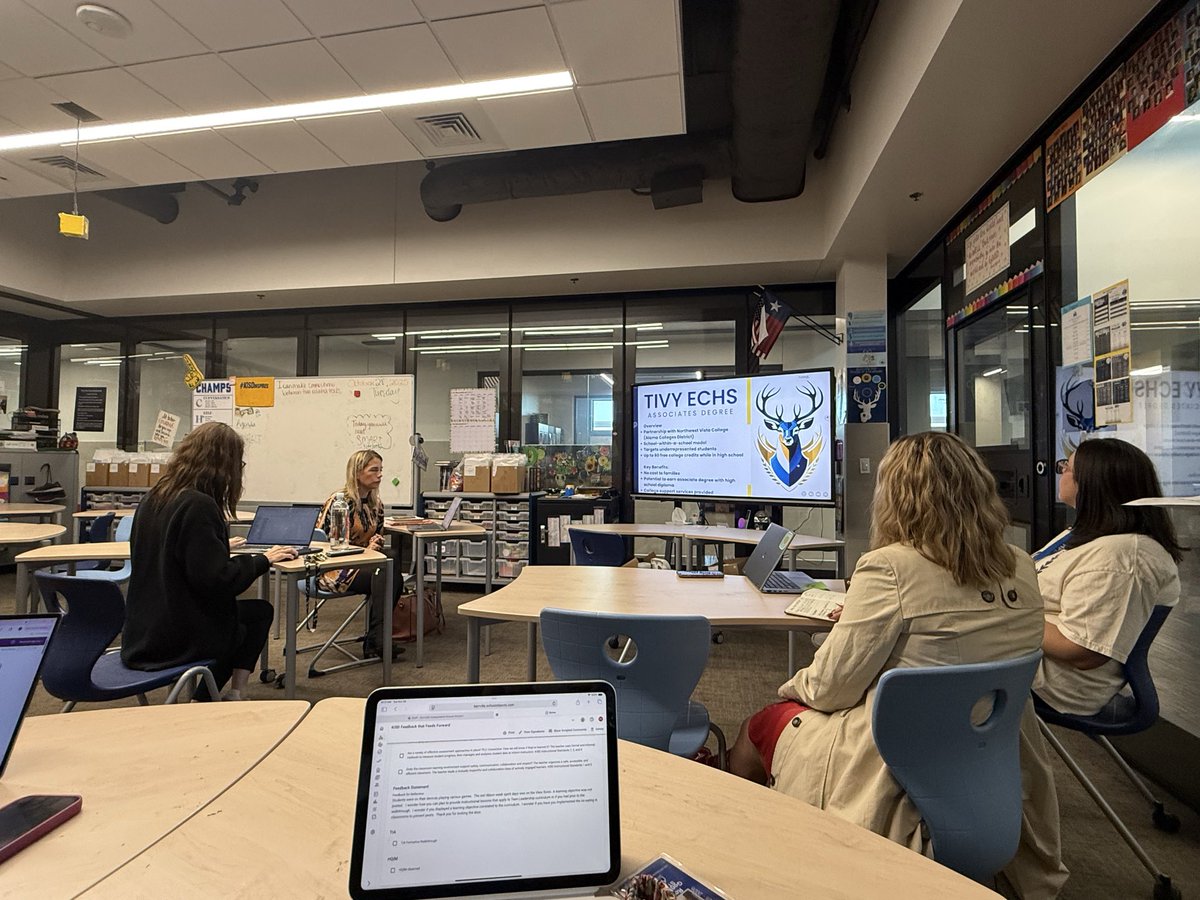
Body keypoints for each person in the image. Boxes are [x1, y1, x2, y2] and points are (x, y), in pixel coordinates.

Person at [728, 432, 1067, 898]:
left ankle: (750, 860)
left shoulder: (889, 567)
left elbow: (830, 688)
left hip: (895, 757)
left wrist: (794, 689)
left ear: (899, 498)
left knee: (759, 724)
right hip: (991, 757)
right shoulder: (1020, 566)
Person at [122, 422, 297, 700]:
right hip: (179, 637)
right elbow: (219, 581)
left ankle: (231, 694)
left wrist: (216, 546)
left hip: (143, 632)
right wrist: (263, 559)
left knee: (257, 612)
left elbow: (170, 551)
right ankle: (207, 698)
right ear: (224, 465)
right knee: (250, 619)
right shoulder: (199, 505)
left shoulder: (156, 496)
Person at [1035, 439, 1183, 717]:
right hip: (1026, 660)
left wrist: (1007, 618)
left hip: (1056, 685)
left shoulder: (1125, 557)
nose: (1061, 471)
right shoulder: (1085, 534)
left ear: (1091, 484)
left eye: (1066, 467)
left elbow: (1081, 651)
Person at [316, 449, 395, 659]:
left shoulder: (375, 504)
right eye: (374, 470)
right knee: (386, 575)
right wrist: (364, 551)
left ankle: (377, 637)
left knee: (390, 568)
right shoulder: (340, 502)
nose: (380, 475)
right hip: (334, 568)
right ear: (358, 473)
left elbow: (377, 533)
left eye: (381, 470)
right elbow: (322, 542)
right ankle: (377, 639)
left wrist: (375, 542)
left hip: (363, 562)